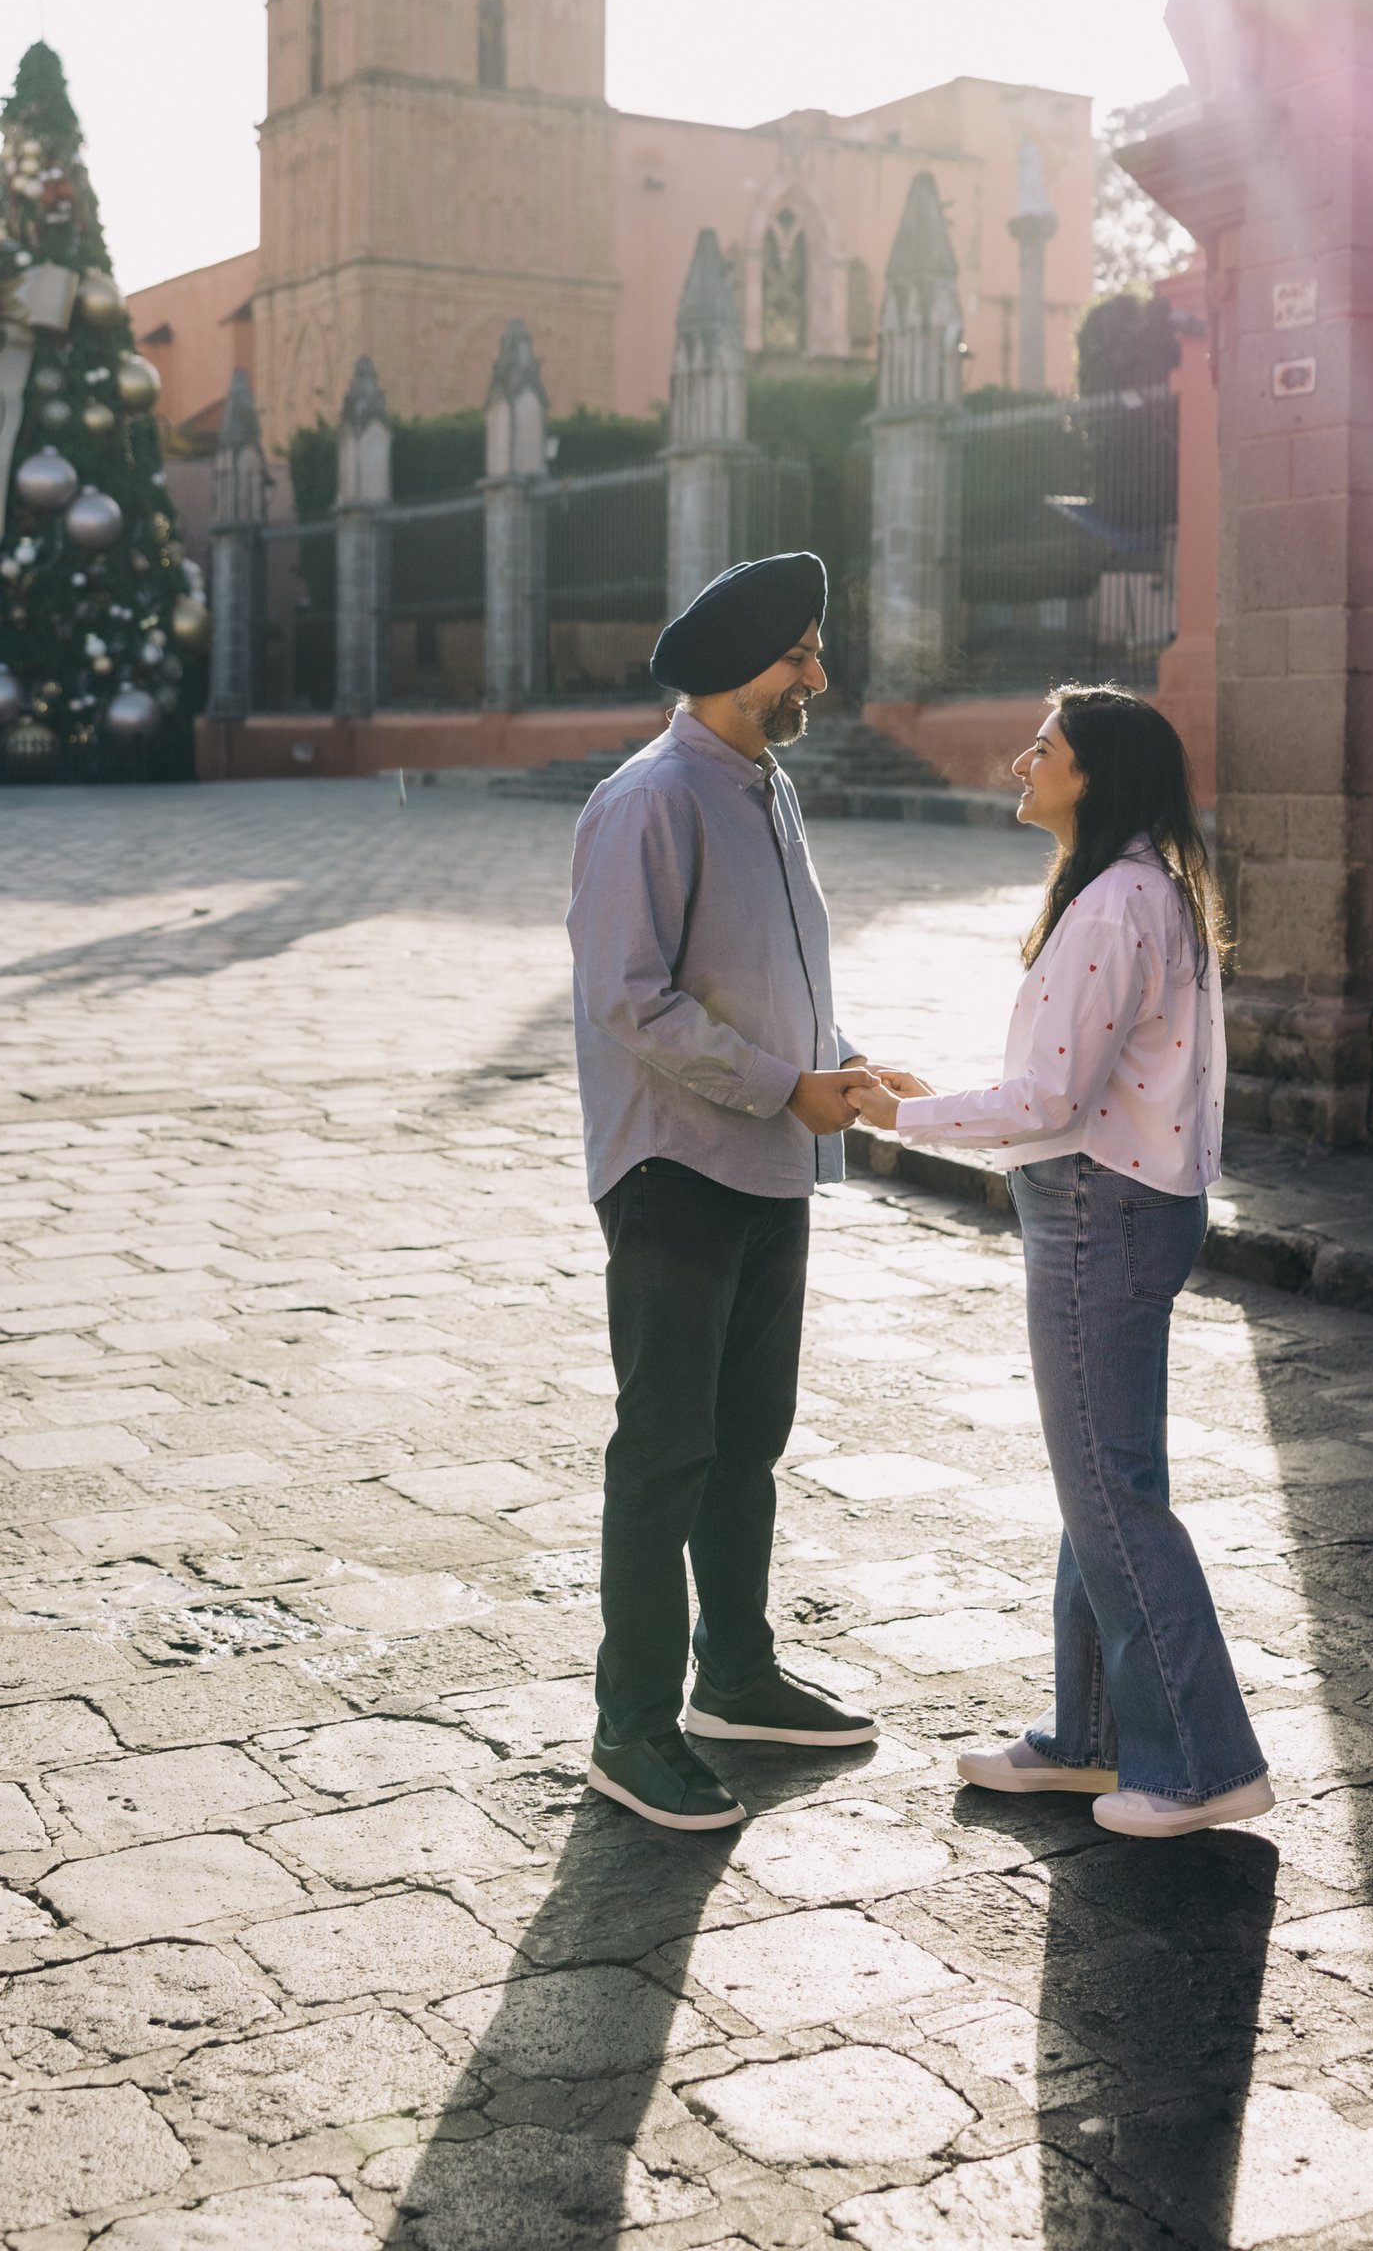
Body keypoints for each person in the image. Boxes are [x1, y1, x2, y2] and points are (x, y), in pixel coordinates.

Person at [847, 686, 1273, 1840]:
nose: (1021, 765)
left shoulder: (1114, 903)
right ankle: (1092, 1740)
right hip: (1125, 1203)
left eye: (1044, 750)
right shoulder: (1145, 889)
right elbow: (1080, 1085)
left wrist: (902, 1115)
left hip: (1099, 1211)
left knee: (1112, 1492)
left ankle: (1200, 1763)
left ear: (1092, 776)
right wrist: (941, 1099)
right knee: (1102, 1480)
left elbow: (1050, 1099)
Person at [566, 551, 881, 1831]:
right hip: (676, 1170)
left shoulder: (766, 786)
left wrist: (836, 1064)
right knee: (665, 1453)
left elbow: (768, 969)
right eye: (799, 655)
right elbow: (629, 999)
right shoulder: (650, 800)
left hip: (768, 1163)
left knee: (749, 1438)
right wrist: (782, 1084)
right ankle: (631, 1727)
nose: (818, 675)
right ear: (737, 668)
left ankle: (737, 1677)